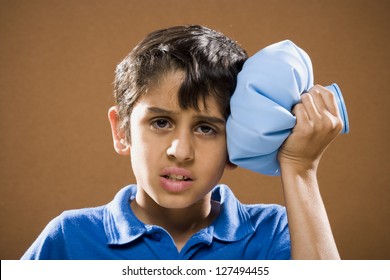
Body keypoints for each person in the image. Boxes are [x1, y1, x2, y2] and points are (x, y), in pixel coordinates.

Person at [22, 25, 342, 260]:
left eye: (205, 128)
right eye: (161, 122)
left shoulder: (275, 233)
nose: (180, 152)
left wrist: (301, 169)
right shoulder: (69, 238)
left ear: (236, 143)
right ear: (121, 131)